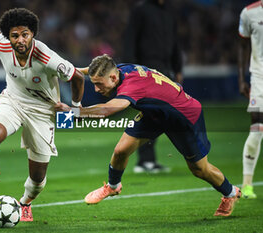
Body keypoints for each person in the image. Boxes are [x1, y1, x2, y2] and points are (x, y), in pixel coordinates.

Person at [56, 54, 241, 217]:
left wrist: (74, 114)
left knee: (200, 169)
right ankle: (113, 187)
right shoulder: (119, 69)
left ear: (113, 77)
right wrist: (67, 71)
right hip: (155, 113)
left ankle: (230, 193)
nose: (96, 89)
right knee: (121, 150)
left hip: (183, 117)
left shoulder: (131, 87)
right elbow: (92, 70)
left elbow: (107, 110)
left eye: (98, 84)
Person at [0, 8, 85, 222]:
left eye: (25, 34)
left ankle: (25, 203)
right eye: (15, 35)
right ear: (9, 37)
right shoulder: (2, 43)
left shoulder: (47, 57)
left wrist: (75, 108)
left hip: (43, 112)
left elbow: (77, 77)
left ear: (33, 34)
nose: (20, 40)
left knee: (38, 178)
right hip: (13, 101)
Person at [122, 0, 183, 174]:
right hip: (146, 69)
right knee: (151, 114)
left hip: (165, 70)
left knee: (162, 115)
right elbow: (130, 40)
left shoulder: (169, 12)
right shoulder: (140, 10)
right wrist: (131, 71)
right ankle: (145, 160)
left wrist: (178, 69)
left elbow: (175, 43)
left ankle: (148, 160)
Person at [238, 0, 263, 199]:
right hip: (259, 78)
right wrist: (241, 79)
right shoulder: (249, 13)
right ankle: (247, 185)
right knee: (257, 128)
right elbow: (243, 45)